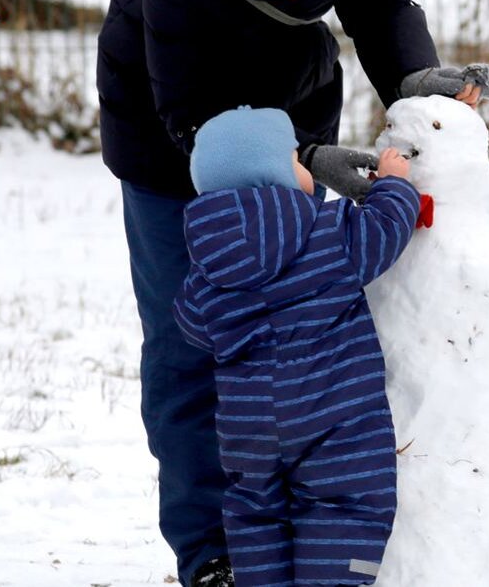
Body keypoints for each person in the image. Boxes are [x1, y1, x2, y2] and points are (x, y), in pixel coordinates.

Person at [96, 0, 474, 583]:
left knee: (296, 335)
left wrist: (417, 85)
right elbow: (190, 109)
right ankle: (211, 551)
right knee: (192, 354)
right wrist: (301, 159)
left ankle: (299, 531)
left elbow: (382, 2)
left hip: (288, 106)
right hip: (170, 135)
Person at [170, 106, 422, 586]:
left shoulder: (208, 265)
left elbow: (191, 322)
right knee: (344, 504)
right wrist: (395, 183)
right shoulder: (326, 234)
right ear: (276, 172)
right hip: (332, 416)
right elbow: (385, 231)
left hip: (251, 426)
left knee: (257, 513)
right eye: (296, 159)